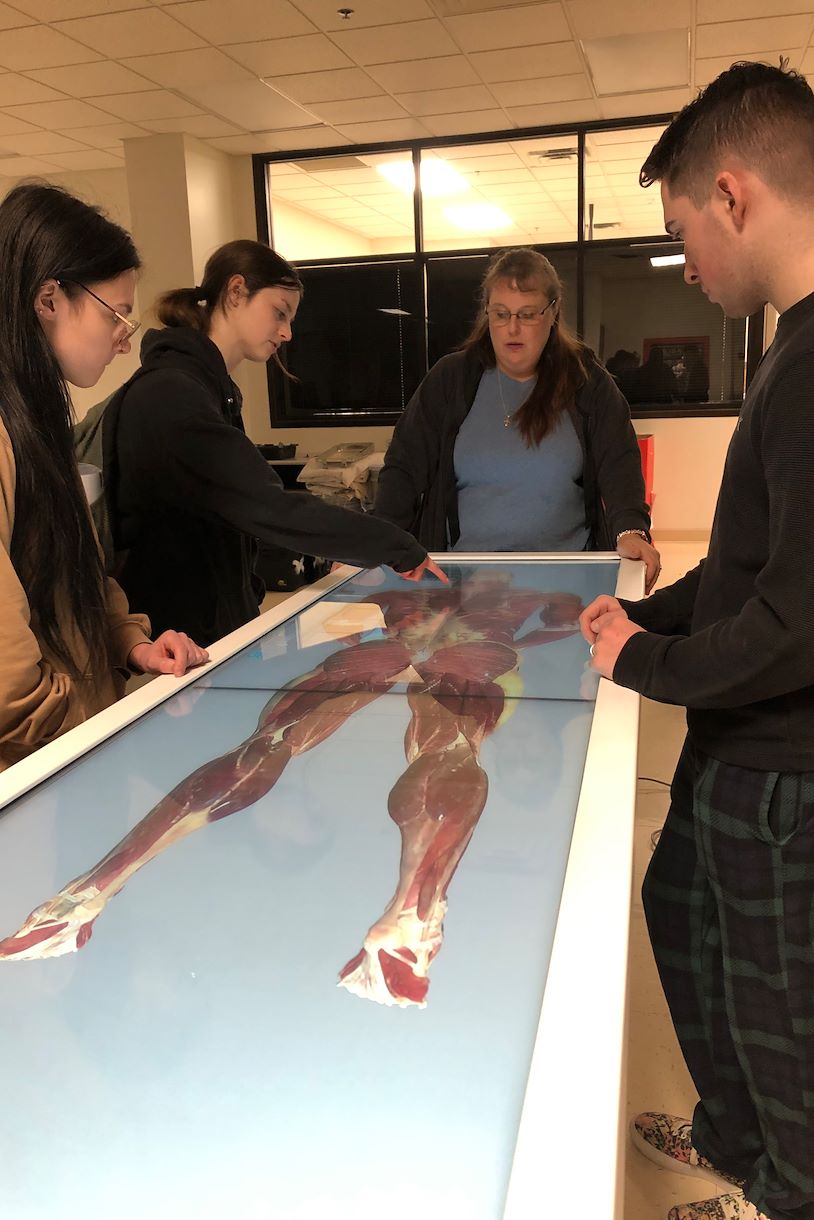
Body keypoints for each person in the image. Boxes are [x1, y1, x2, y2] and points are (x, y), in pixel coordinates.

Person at [580, 61, 814, 1220]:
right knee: (680, 912)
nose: (684, 263)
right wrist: (646, 612)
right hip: (735, 753)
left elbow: (793, 619)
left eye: (680, 232)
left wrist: (643, 662)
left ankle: (782, 1185)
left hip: (784, 767)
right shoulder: (786, 348)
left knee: (784, 1027)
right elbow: (746, 565)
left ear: (731, 195)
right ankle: (734, 1141)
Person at [100, 240, 443, 646]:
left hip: (212, 632)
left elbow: (233, 519)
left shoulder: (210, 388)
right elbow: (272, 508)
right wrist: (397, 545)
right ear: (235, 291)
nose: (287, 332)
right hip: (171, 644)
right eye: (279, 312)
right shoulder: (170, 394)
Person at [0, 183, 208, 774]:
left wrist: (128, 641)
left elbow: (70, 575)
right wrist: (103, 730)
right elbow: (9, 693)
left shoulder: (36, 423)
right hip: (37, 771)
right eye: (115, 312)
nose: (125, 336)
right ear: (48, 300)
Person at [374, 247, 661, 592]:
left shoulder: (587, 382)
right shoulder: (450, 380)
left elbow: (620, 462)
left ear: (553, 312)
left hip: (565, 587)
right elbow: (404, 466)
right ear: (487, 313)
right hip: (466, 583)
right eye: (500, 314)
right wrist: (379, 539)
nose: (512, 328)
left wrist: (630, 529)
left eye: (527, 315)